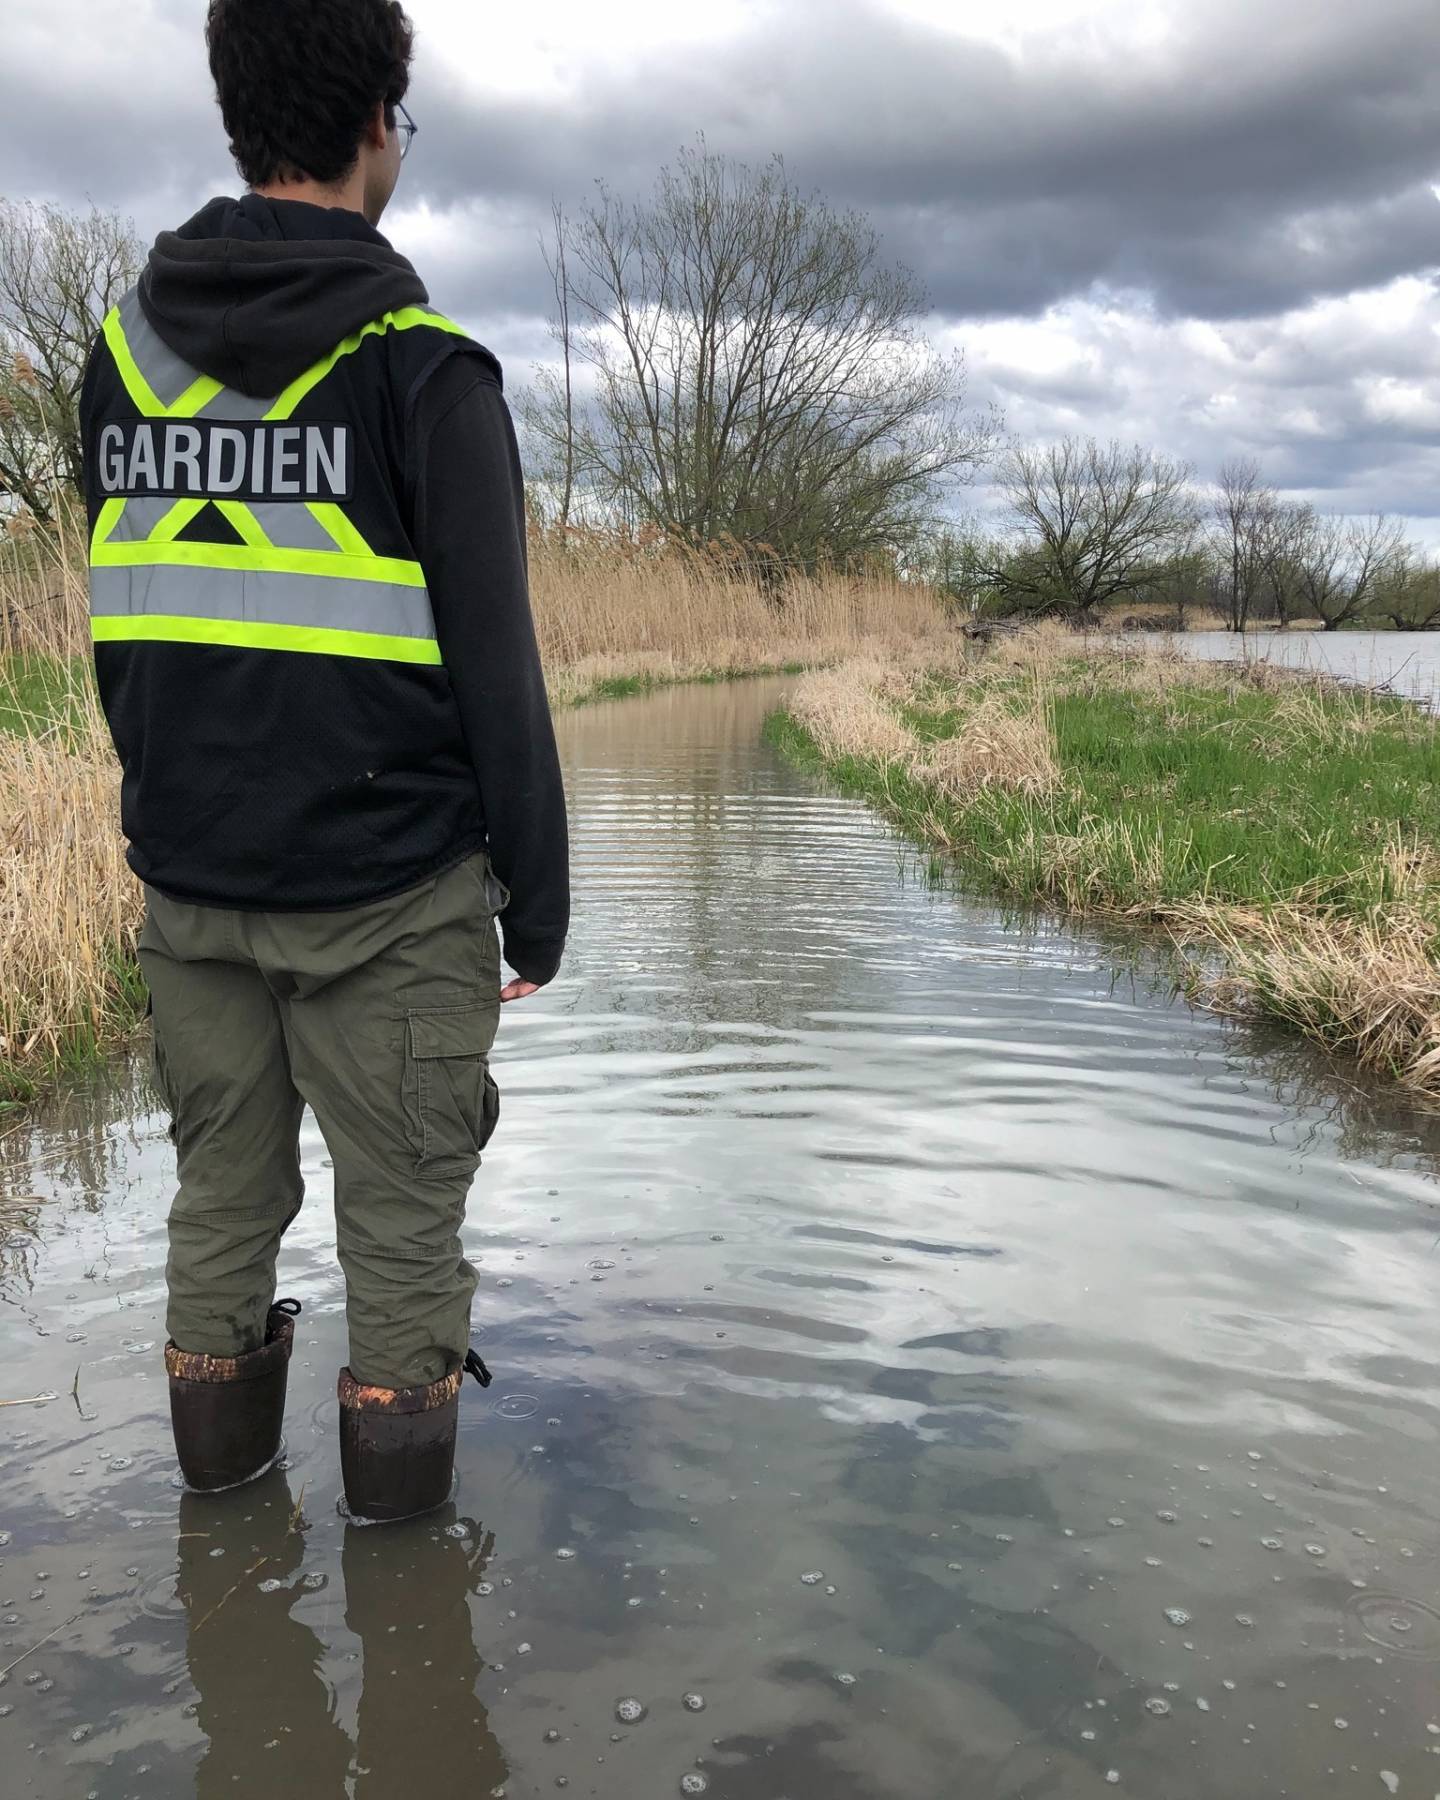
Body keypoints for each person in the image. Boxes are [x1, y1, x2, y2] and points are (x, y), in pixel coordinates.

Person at [79, 0, 569, 1522]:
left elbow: (124, 639)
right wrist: (536, 912)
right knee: (404, 1237)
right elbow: (504, 684)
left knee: (220, 1205)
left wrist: (177, 825)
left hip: (195, 894)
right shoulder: (424, 369)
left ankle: (226, 1582)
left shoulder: (117, 364)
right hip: (392, 900)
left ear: (239, 115)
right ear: (378, 124)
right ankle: (406, 1595)